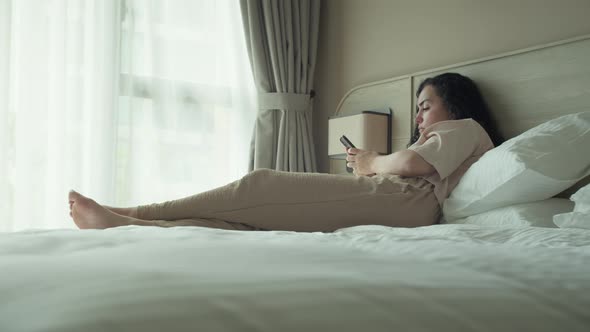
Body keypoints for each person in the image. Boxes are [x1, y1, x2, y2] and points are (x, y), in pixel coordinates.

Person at [69, 72, 503, 232]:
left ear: (456, 102)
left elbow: (411, 163)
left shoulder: (466, 127)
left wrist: (372, 162)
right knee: (241, 221)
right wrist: (369, 168)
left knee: (259, 185)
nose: (419, 117)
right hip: (400, 199)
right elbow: (411, 162)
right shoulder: (447, 138)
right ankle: (126, 224)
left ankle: (136, 212)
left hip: (410, 204)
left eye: (425, 105)